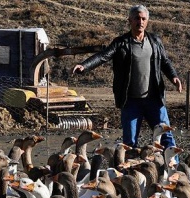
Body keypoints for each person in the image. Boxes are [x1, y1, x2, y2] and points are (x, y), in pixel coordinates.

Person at [73, 4, 182, 150]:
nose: (140, 22)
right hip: (131, 102)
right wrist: (85, 65)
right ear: (129, 20)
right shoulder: (121, 43)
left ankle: (172, 168)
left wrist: (173, 77)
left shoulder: (155, 41)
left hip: (154, 100)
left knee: (166, 138)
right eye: (137, 18)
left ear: (147, 21)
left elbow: (165, 61)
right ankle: (129, 170)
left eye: (143, 19)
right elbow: (103, 56)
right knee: (129, 143)